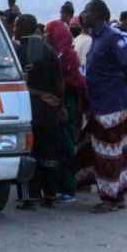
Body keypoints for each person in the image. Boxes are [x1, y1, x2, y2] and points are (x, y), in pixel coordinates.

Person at [81, 0, 127, 213]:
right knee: (106, 151)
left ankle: (112, 198)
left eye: (86, 12)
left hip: (111, 106)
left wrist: (121, 90)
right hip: (99, 104)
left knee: (110, 152)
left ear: (97, 14)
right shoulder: (95, 38)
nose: (83, 15)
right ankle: (116, 194)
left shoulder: (113, 38)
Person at [13, 14, 65, 210]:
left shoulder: (18, 52)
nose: (14, 29)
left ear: (22, 28)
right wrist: (58, 104)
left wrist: (39, 94)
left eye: (16, 25)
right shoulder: (49, 50)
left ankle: (28, 197)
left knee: (28, 154)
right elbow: (60, 82)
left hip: (28, 111)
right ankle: (50, 194)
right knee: (49, 153)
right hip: (49, 111)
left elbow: (19, 84)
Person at [46, 20, 86, 204]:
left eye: (49, 33)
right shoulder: (58, 54)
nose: (47, 36)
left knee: (67, 146)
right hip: (62, 103)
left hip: (66, 104)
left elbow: (72, 82)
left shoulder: (66, 56)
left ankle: (69, 188)